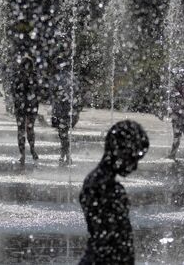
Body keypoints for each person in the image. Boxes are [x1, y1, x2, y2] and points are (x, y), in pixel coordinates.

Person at [79, 120, 149, 265]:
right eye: (134, 158)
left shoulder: (97, 181)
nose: (135, 166)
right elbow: (111, 241)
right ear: (121, 151)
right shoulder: (103, 186)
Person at [11, 56, 39, 165]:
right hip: (22, 106)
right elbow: (13, 91)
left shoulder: (34, 76)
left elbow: (37, 91)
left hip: (30, 105)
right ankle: (23, 153)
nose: (26, 69)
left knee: (28, 129)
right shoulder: (17, 76)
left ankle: (31, 150)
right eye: (24, 66)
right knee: (22, 130)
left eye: (28, 67)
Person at [51, 69, 82, 165]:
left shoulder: (64, 79)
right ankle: (65, 156)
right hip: (66, 113)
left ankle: (66, 156)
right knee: (63, 135)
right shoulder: (68, 79)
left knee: (63, 135)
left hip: (66, 113)